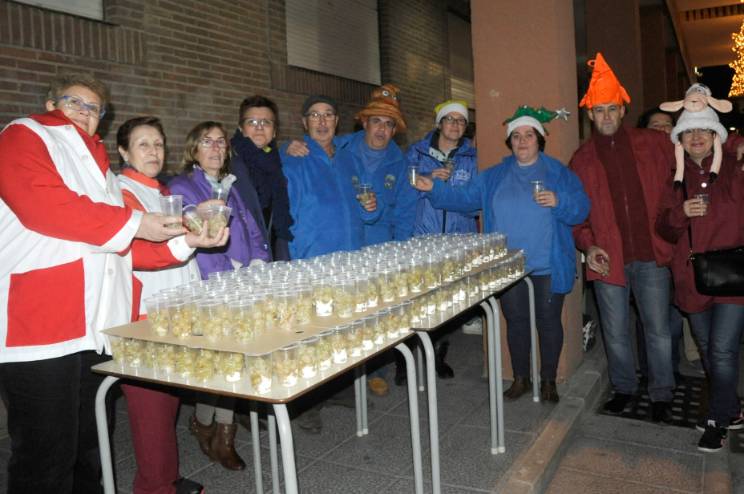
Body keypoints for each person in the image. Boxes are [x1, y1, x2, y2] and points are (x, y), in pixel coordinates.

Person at [0, 74, 191, 494]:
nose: (85, 113)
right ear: (51, 103)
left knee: (89, 446)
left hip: (91, 327)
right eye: (75, 103)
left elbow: (121, 247)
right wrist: (137, 222)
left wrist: (187, 242)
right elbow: (44, 207)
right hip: (40, 328)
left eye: (94, 108)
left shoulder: (100, 170)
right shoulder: (24, 134)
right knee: (45, 456)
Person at [413, 105, 589, 402]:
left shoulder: (558, 172)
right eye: (516, 136)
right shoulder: (494, 175)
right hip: (509, 265)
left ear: (539, 139)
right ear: (510, 142)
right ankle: (520, 378)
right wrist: (434, 188)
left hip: (547, 263)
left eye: (529, 135)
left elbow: (581, 208)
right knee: (516, 321)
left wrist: (559, 201)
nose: (522, 141)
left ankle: (548, 380)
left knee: (548, 322)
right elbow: (464, 199)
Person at [116, 116, 229, 494]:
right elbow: (136, 252)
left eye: (159, 144)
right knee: (150, 413)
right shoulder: (121, 193)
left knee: (166, 407)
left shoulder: (161, 191)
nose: (153, 151)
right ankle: (154, 487)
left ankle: (166, 480)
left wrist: (199, 219)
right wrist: (190, 237)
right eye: (143, 144)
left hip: (173, 313)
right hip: (143, 317)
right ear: (123, 152)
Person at [570, 53, 679, 422]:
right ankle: (624, 388)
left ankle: (662, 392)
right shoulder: (581, 160)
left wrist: (732, 146)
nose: (606, 116)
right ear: (590, 114)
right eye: (599, 110)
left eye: (612, 109)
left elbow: (693, 155)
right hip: (609, 258)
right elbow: (577, 215)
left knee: (658, 330)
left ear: (622, 110)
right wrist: (588, 245)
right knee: (615, 331)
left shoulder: (653, 144)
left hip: (651, 255)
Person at [169, 121, 270, 470]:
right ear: (194, 149)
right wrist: (231, 272)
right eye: (207, 142)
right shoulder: (182, 187)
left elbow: (252, 228)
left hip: (241, 281)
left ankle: (213, 427)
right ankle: (212, 428)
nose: (215, 148)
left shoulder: (231, 185)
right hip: (210, 285)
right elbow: (195, 237)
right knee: (222, 361)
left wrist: (258, 261)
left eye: (220, 142)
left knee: (232, 359)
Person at [656, 91, 744, 452]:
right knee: (708, 349)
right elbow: (663, 228)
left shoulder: (736, 168)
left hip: (734, 275)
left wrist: (735, 142)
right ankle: (732, 409)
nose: (696, 138)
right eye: (689, 131)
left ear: (715, 135)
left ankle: (717, 420)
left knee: (722, 351)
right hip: (692, 277)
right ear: (679, 137)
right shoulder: (674, 179)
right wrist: (682, 214)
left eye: (704, 131)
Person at [335, 83, 418, 396]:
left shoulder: (400, 163)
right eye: (376, 121)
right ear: (364, 122)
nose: (382, 129)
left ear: (395, 130)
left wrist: (400, 251)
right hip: (342, 240)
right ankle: (341, 373)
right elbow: (308, 150)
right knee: (344, 309)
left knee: (377, 311)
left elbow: (406, 212)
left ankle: (376, 369)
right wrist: (293, 147)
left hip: (379, 246)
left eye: (388, 124)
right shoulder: (338, 148)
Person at [404, 99, 478, 380]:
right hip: (424, 236)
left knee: (450, 303)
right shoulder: (417, 152)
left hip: (458, 239)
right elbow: (402, 190)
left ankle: (438, 353)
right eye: (450, 119)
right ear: (439, 124)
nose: (455, 125)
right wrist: (427, 178)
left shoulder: (473, 157)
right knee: (421, 300)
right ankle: (405, 358)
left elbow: (476, 201)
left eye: (461, 121)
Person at [281, 94, 379, 259]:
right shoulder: (294, 164)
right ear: (305, 122)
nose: (322, 121)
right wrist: (294, 265)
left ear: (336, 121)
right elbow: (286, 223)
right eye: (314, 115)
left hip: (353, 259)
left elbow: (368, 214)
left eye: (328, 115)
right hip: (314, 263)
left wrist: (371, 207)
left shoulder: (352, 161)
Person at [229, 95, 292, 260]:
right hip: (243, 260)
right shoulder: (227, 166)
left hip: (273, 254)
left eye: (266, 122)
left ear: (274, 131)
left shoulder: (277, 164)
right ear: (241, 128)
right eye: (252, 122)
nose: (259, 128)